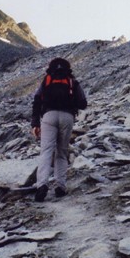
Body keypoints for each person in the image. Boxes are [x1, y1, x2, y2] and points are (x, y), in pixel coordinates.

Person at [31, 58, 87, 202]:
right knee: (61, 152)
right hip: (67, 117)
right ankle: (60, 186)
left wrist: (35, 124)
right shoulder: (72, 81)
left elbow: (37, 100)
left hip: (48, 116)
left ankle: (42, 185)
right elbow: (83, 103)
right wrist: (70, 102)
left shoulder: (47, 80)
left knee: (46, 151)